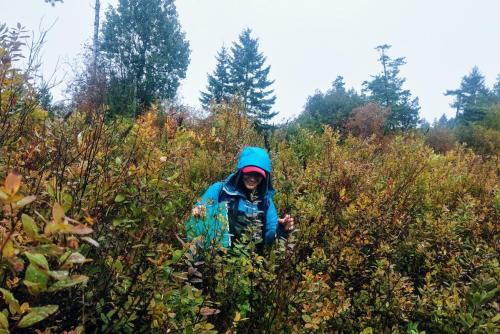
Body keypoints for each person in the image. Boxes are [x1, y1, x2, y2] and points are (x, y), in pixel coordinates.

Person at [187, 146, 294, 249]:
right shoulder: (219, 190)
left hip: (249, 264)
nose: (252, 178)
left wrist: (281, 229)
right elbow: (198, 214)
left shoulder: (265, 202)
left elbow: (269, 239)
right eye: (249, 173)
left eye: (257, 175)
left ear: (264, 177)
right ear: (241, 171)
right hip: (216, 260)